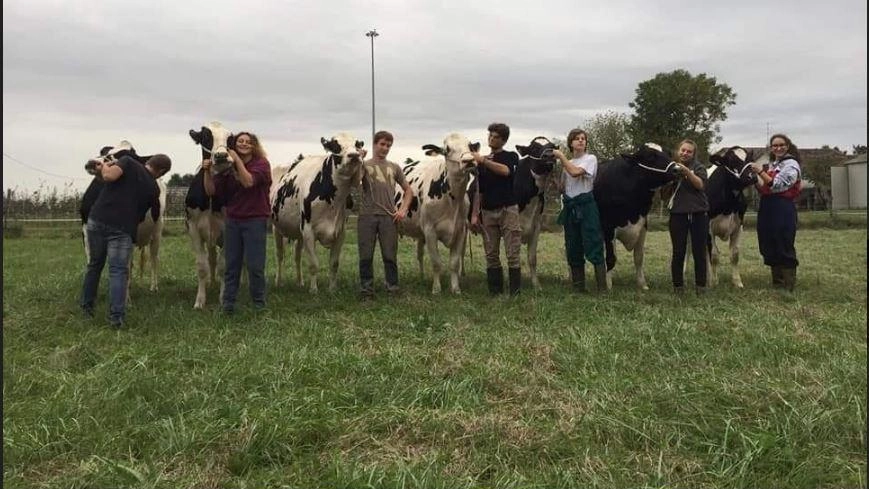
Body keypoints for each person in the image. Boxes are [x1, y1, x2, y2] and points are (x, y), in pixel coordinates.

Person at [80, 154, 172, 328]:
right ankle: (116, 318)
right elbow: (147, 214)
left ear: (148, 163)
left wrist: (103, 166)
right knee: (118, 272)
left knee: (94, 265)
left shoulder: (128, 162)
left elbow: (108, 177)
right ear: (161, 172)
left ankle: (86, 307)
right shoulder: (155, 189)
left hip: (97, 221)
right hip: (123, 229)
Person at [202, 131, 272, 313]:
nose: (244, 144)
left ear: (254, 145)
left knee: (255, 265)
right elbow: (211, 191)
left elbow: (248, 182)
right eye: (240, 141)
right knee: (231, 265)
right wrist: (207, 172)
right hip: (233, 221)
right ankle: (228, 306)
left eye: (248, 142)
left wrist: (236, 161)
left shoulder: (261, 164)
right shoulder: (225, 168)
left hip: (255, 220)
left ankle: (259, 305)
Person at [358, 130, 414, 299]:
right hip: (367, 215)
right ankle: (366, 291)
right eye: (382, 144)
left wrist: (403, 209)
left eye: (388, 145)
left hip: (389, 217)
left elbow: (409, 191)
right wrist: (357, 161)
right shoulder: (364, 165)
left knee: (390, 255)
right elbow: (354, 182)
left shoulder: (394, 167)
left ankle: (393, 288)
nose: (385, 148)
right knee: (366, 255)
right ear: (375, 144)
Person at [470, 122, 522, 295]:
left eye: (496, 137)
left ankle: (515, 292)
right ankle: (495, 292)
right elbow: (480, 190)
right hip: (488, 211)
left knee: (512, 251)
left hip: (508, 209)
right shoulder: (482, 163)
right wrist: (475, 214)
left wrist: (484, 160)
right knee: (491, 252)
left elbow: (506, 171)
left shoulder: (511, 156)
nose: (491, 139)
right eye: (490, 136)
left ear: (503, 140)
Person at [553, 128, 607, 292]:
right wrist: (552, 177)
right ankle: (578, 288)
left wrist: (561, 157)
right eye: (577, 138)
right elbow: (563, 188)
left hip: (586, 206)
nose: (581, 141)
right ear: (571, 143)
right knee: (573, 245)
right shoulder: (567, 164)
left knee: (593, 243)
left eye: (583, 138)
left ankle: (602, 289)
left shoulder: (590, 159)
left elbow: (576, 173)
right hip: (570, 207)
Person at [751, 133, 801, 291]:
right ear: (771, 148)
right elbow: (765, 187)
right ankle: (777, 281)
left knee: (783, 240)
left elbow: (778, 185)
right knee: (768, 240)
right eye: (775, 146)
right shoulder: (774, 164)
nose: (778, 148)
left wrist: (760, 172)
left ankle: (788, 284)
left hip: (782, 206)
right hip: (767, 206)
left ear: (788, 146)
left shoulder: (791, 165)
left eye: (781, 145)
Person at [666, 139, 709, 295]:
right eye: (683, 150)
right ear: (679, 150)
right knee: (678, 251)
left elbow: (701, 185)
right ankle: (678, 286)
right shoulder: (671, 168)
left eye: (688, 151)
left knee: (699, 252)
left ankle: (701, 286)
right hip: (678, 214)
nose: (685, 153)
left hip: (699, 214)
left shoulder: (699, 167)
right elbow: (664, 192)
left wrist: (687, 173)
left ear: (694, 154)